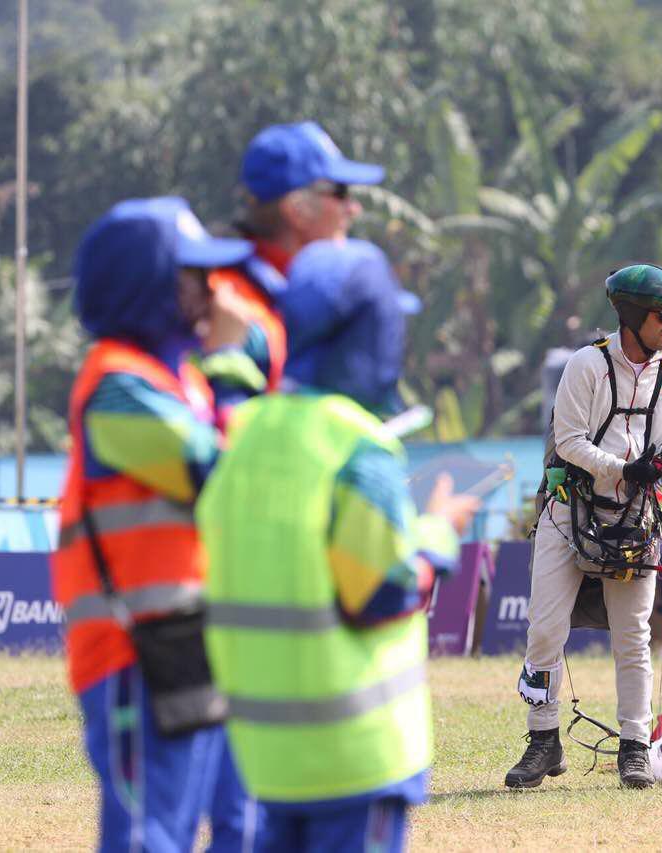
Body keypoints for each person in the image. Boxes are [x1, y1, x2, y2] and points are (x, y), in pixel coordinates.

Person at [197, 239, 479, 852]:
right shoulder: (358, 449)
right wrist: (436, 534)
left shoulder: (241, 436)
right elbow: (381, 591)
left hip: (265, 761)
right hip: (355, 760)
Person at [50, 197, 266, 851]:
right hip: (130, 651)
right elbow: (219, 473)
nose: (213, 291)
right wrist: (231, 365)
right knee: (149, 836)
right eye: (195, 276)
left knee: (224, 823)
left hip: (186, 640)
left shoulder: (179, 384)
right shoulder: (117, 385)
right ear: (154, 287)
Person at [506, 263, 662, 791]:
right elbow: (568, 441)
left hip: (636, 517)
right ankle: (543, 740)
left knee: (632, 637)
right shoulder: (587, 365)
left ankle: (634, 747)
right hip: (570, 512)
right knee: (545, 629)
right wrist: (621, 468)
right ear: (632, 316)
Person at [208, 120, 384, 398]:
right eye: (340, 193)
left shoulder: (289, 290)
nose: (354, 209)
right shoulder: (235, 304)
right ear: (296, 209)